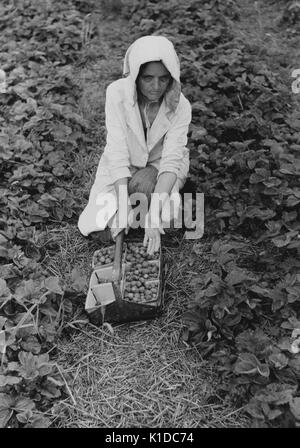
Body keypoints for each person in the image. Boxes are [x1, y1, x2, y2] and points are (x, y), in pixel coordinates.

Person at [78, 35, 192, 254]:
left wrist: (154, 214)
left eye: (164, 78)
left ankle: (148, 210)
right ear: (135, 76)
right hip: (125, 166)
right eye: (148, 78)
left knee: (160, 212)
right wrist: (122, 205)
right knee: (100, 229)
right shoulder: (116, 94)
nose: (156, 86)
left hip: (159, 167)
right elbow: (117, 151)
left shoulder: (181, 106)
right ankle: (135, 210)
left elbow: (170, 162)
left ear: (172, 77)